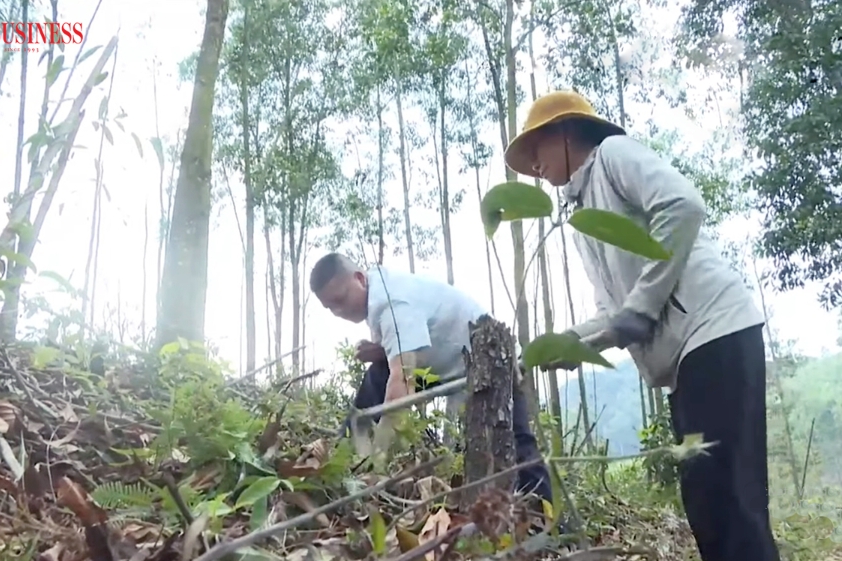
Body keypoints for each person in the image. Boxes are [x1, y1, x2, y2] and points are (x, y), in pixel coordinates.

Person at [502, 90, 780, 561]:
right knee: (707, 500)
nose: (533, 164)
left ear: (566, 133)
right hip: (685, 363)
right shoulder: (583, 218)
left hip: (715, 331)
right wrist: (569, 343)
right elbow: (615, 311)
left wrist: (644, 306)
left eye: (536, 147)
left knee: (731, 496)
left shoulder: (613, 155)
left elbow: (682, 205)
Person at [309, 253, 553, 508]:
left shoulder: (392, 303)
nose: (338, 312)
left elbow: (403, 384)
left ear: (359, 278)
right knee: (378, 374)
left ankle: (545, 516)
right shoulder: (380, 290)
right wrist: (382, 351)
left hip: (492, 359)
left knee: (516, 441)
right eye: (330, 307)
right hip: (449, 367)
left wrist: (378, 459)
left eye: (341, 300)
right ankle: (344, 459)